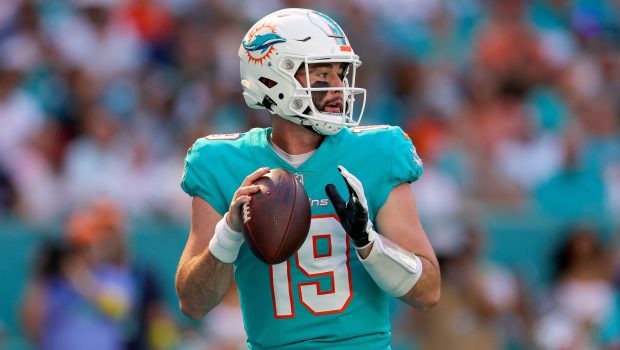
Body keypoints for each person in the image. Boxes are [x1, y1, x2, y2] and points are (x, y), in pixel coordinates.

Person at [175, 8, 441, 349]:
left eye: (340, 73)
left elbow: (429, 291)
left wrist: (370, 242)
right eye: (320, 74)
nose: (337, 88)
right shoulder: (221, 163)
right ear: (272, 78)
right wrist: (228, 233)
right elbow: (193, 304)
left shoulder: (377, 152)